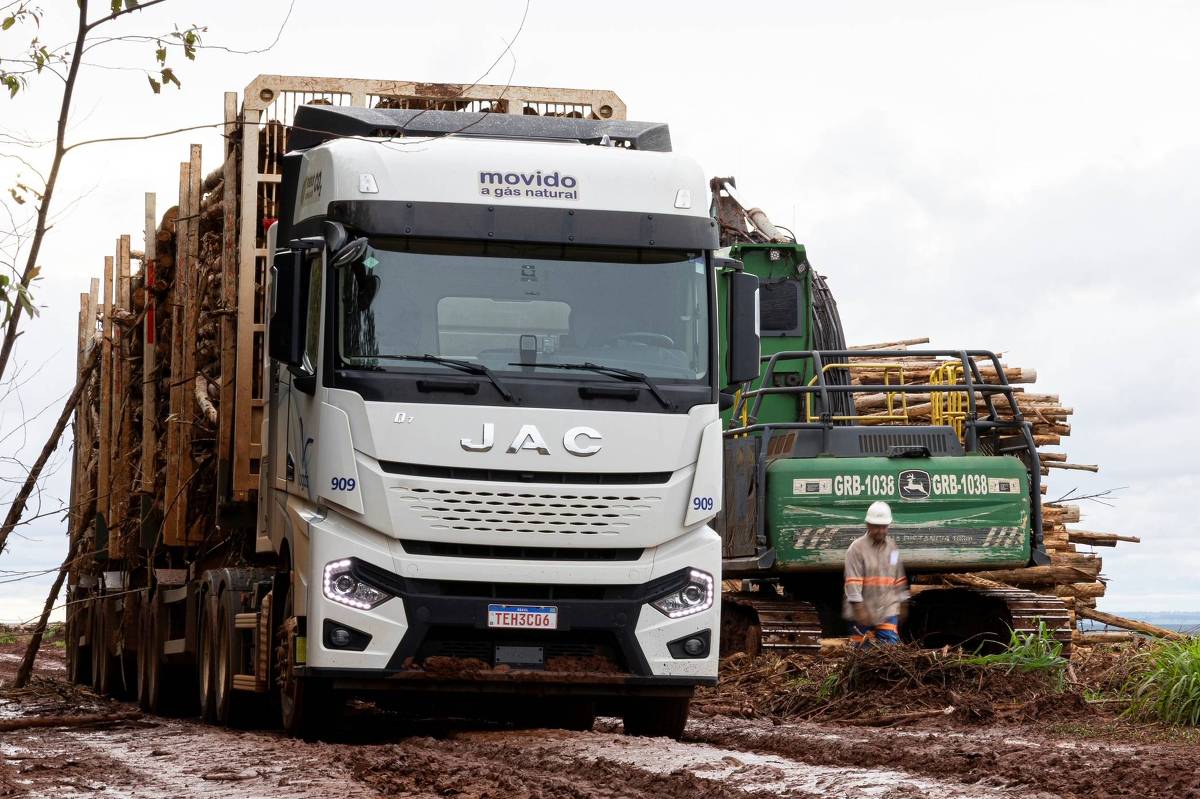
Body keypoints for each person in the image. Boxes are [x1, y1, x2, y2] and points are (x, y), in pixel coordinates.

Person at [843, 501, 910, 647]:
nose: (880, 530)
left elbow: (898, 576)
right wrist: (859, 609)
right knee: (861, 653)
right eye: (876, 527)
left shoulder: (892, 548)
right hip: (862, 609)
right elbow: (853, 583)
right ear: (868, 525)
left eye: (883, 527)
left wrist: (903, 600)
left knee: (890, 652)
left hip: (887, 609)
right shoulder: (856, 549)